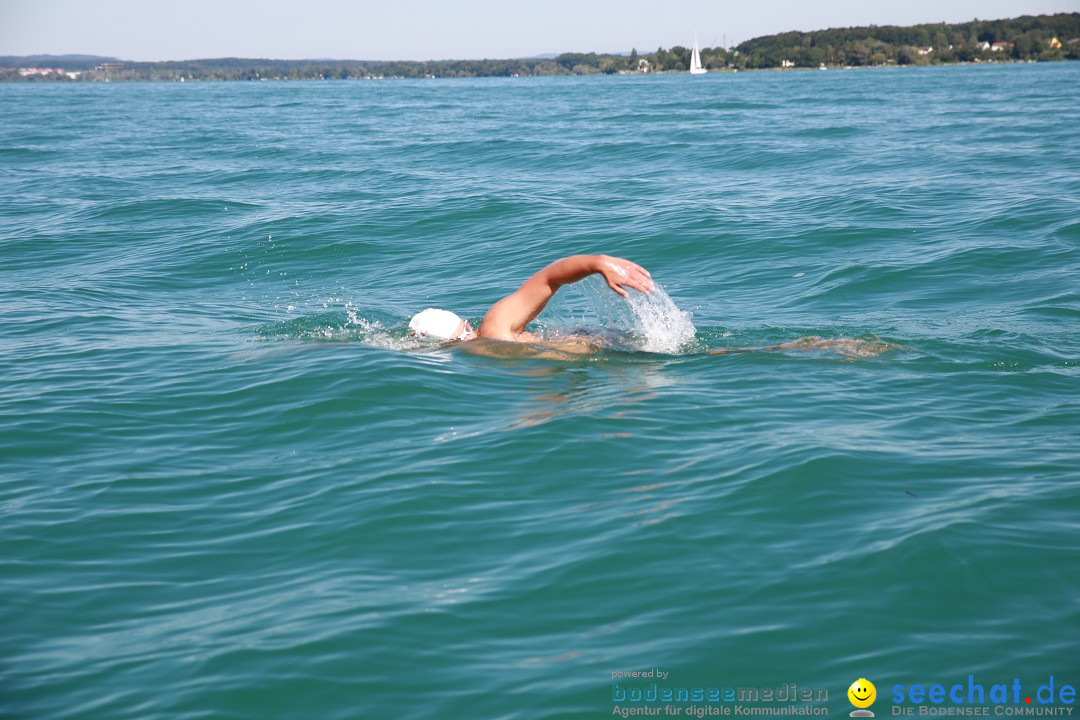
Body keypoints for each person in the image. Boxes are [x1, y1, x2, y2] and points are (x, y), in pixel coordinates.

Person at [408, 254, 654, 343]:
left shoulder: (488, 342)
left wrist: (598, 263)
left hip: (605, 347)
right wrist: (597, 263)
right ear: (466, 324)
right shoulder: (493, 328)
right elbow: (549, 278)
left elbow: (550, 279)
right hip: (611, 347)